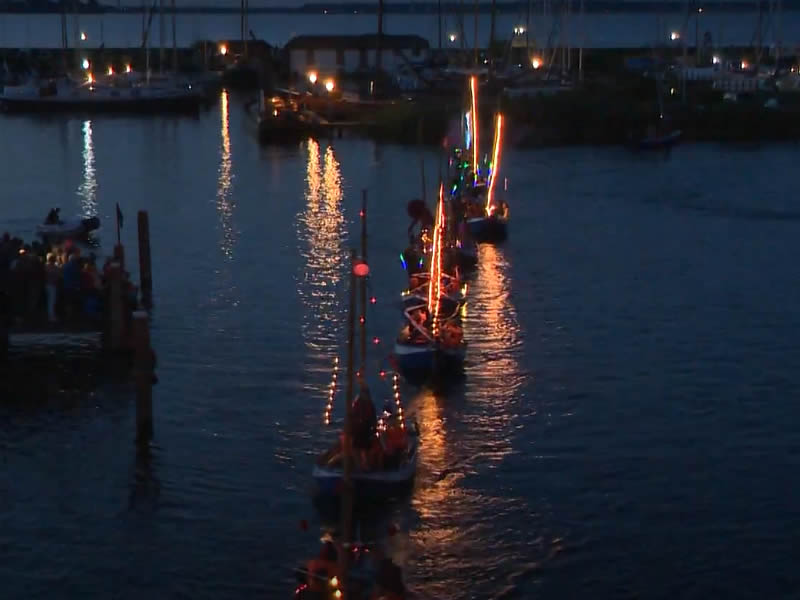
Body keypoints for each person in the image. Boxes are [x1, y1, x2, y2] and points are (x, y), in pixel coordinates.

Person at [44, 253, 60, 323]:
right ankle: (51, 316)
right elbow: (59, 276)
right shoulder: (55, 268)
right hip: (52, 286)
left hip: (46, 285)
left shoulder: (45, 267)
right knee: (51, 302)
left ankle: (48, 315)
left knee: (48, 301)